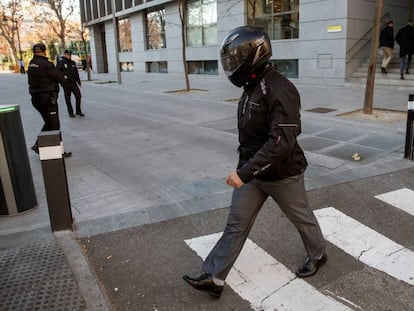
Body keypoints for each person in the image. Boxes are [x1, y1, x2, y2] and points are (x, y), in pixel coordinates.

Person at [183, 26, 327, 299]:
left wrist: (244, 172)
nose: (232, 65)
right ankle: (215, 277)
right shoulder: (251, 85)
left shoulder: (281, 88)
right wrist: (246, 170)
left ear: (255, 54)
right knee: (236, 225)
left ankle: (319, 254)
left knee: (302, 218)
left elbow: (281, 141)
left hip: (284, 174)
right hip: (253, 174)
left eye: (236, 59)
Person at [27, 43, 71, 157]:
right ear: (44, 51)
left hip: (36, 98)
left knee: (49, 123)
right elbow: (60, 77)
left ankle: (38, 145)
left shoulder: (32, 63)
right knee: (54, 125)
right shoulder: (45, 64)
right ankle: (55, 152)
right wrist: (65, 76)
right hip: (47, 98)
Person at [56, 49, 84, 117]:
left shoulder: (73, 63)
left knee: (78, 96)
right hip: (66, 84)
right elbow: (57, 72)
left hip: (73, 83)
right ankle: (70, 112)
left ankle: (78, 111)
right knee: (68, 99)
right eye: (68, 55)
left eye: (70, 55)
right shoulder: (61, 63)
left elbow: (76, 73)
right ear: (65, 55)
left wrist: (79, 81)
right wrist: (62, 79)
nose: (69, 56)